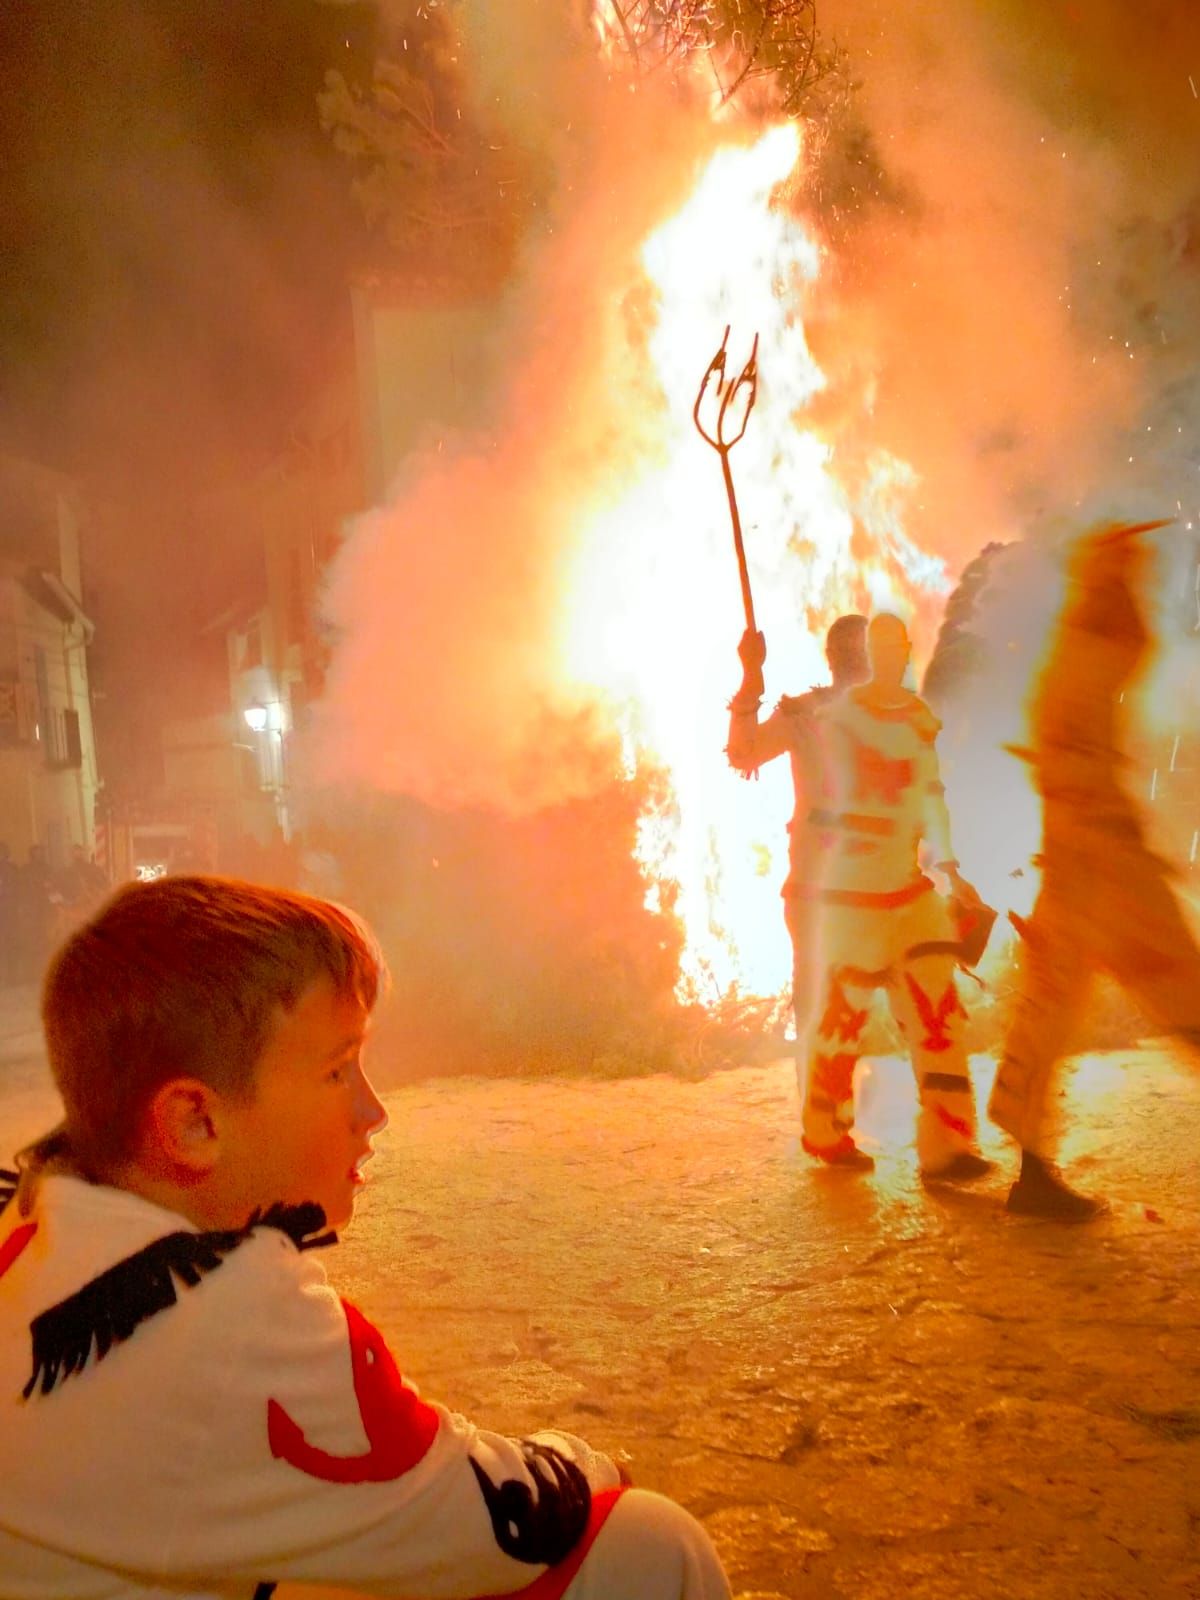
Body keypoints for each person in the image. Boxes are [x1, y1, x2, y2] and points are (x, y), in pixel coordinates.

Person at [0, 876, 731, 1600]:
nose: (373, 1110)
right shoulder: (227, 1313)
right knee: (648, 1545)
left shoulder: (32, 1213)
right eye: (337, 1069)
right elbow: (487, 1519)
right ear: (196, 1122)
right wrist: (595, 1466)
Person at [989, 519, 1200, 1220]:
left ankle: (1031, 1171)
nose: (1137, 579)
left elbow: (1132, 651)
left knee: (1051, 1007)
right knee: (1178, 987)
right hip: (1098, 860)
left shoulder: (1082, 646)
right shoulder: (1085, 651)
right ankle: (1032, 1173)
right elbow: (1127, 655)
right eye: (1124, 572)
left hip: (1087, 853)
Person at [797, 614, 993, 1179]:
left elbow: (932, 795)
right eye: (880, 647)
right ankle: (825, 1132)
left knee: (939, 1011)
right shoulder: (839, 718)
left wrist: (953, 872)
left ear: (906, 651)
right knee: (841, 1020)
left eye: (898, 646)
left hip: (908, 891)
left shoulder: (916, 718)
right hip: (853, 895)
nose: (890, 656)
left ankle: (949, 1144)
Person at [727, 614, 870, 1045]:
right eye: (846, 653)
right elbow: (743, 752)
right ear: (831, 658)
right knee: (817, 1009)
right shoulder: (804, 716)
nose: (852, 661)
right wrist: (752, 676)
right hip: (817, 886)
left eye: (859, 652)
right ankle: (821, 1100)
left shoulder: (895, 718)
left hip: (877, 888)